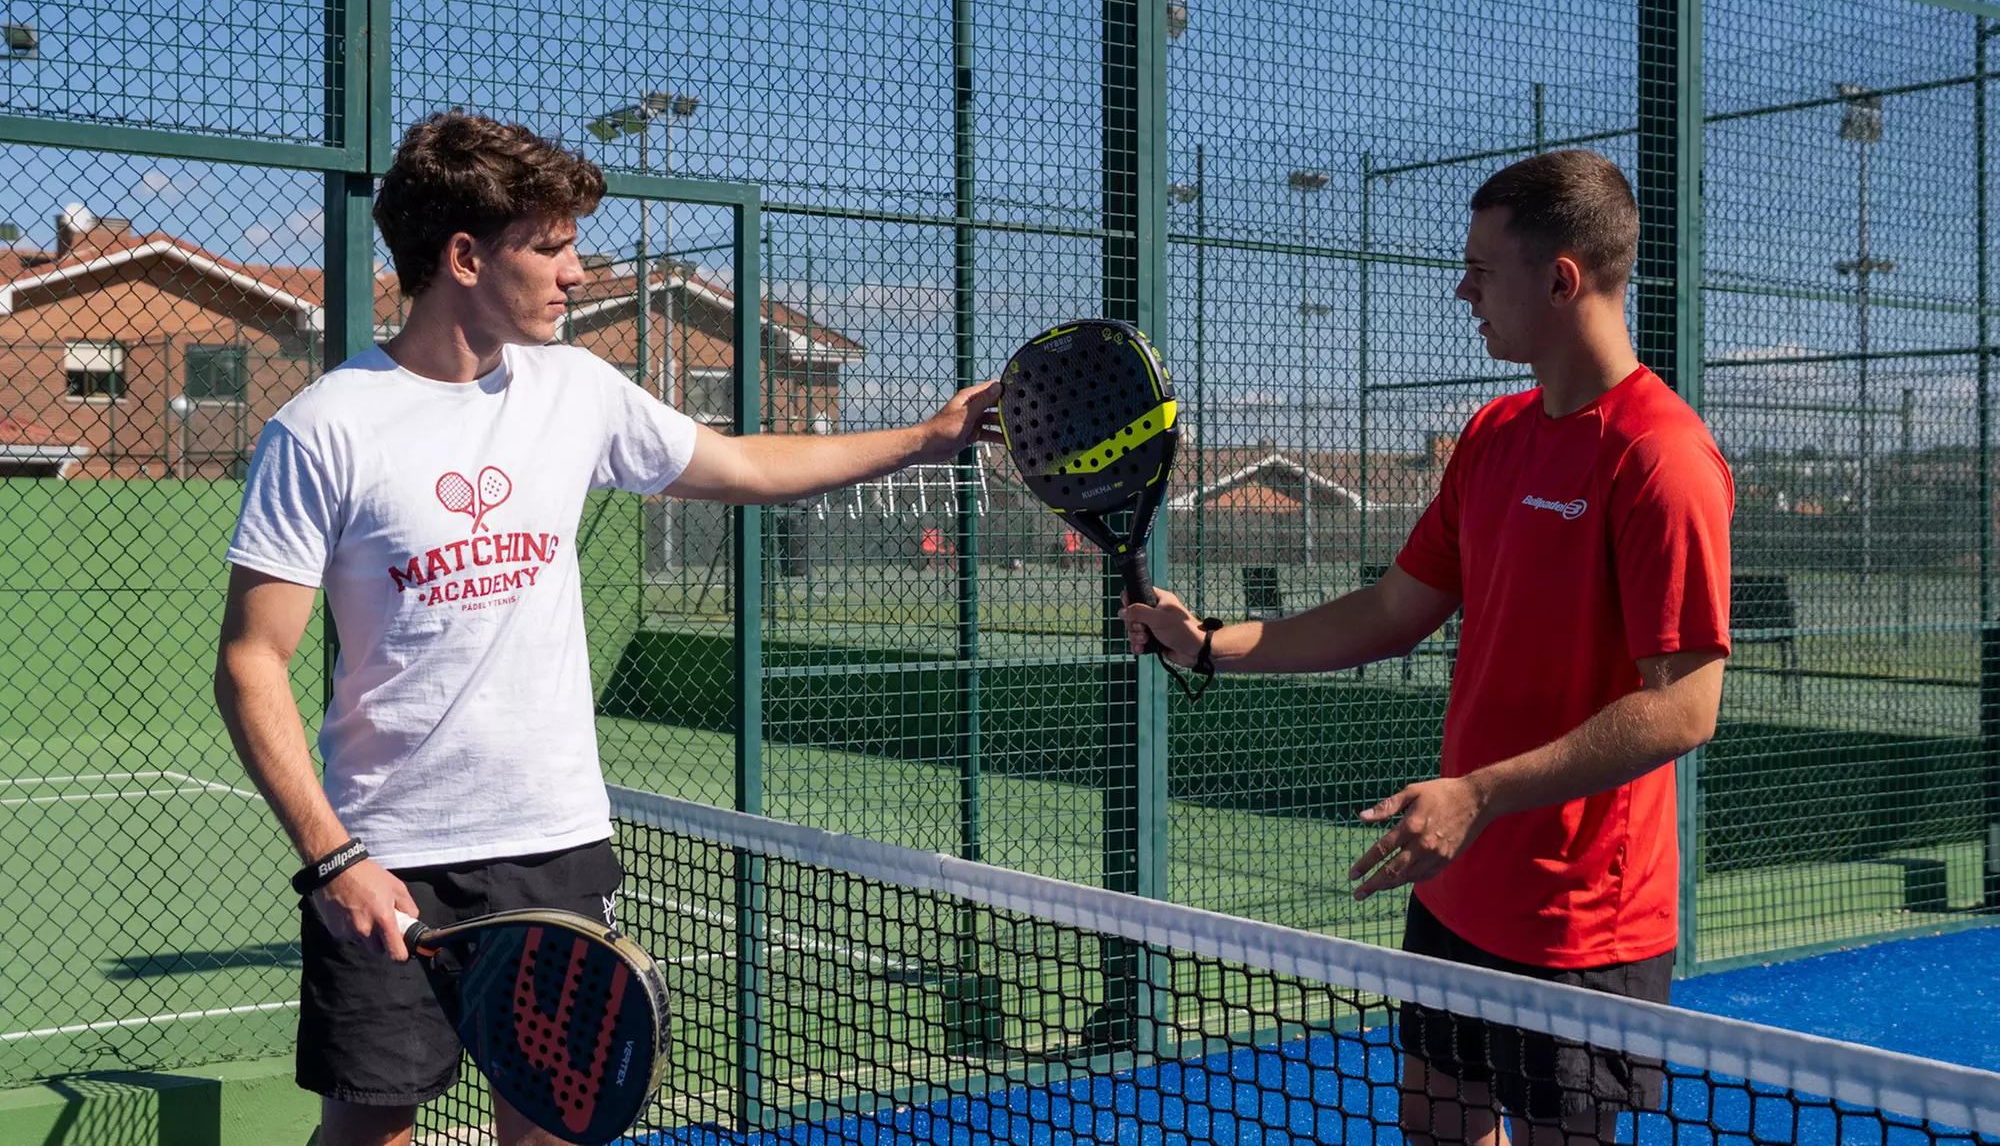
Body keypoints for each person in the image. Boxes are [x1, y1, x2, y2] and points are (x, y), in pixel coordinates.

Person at [212, 111, 1000, 1146]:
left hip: (555, 847)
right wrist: (332, 858)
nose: (577, 272)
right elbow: (250, 661)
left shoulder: (575, 390)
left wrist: (927, 439)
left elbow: (746, 468)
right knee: (370, 1135)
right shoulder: (324, 426)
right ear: (462, 256)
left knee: (552, 1131)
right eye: (551, 246)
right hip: (389, 855)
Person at [1121, 149, 1732, 1146]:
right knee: (1433, 1125)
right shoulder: (1492, 435)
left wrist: (1478, 793)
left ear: (1559, 278)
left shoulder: (1660, 460)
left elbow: (1683, 705)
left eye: (1480, 270)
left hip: (1580, 918)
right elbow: (1391, 610)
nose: (1462, 291)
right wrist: (1206, 647)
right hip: (1458, 891)